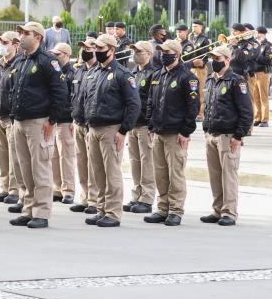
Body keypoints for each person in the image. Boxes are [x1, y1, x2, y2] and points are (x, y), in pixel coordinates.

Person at [8, 21, 70, 229]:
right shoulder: (20, 60)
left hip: (39, 122)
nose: (22, 36)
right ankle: (28, 209)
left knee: (40, 168)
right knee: (24, 169)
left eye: (26, 33)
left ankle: (42, 211)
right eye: (21, 32)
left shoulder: (47, 61)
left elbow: (60, 92)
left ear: (38, 37)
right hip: (19, 120)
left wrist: (52, 120)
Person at [82, 34, 141, 228]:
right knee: (97, 172)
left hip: (111, 128)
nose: (96, 51)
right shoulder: (95, 72)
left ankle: (113, 212)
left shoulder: (122, 74)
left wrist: (123, 130)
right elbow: (88, 99)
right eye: (96, 48)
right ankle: (101, 209)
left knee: (112, 172)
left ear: (112, 50)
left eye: (101, 48)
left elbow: (134, 104)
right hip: (94, 127)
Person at [145, 39, 199, 226]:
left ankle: (175, 210)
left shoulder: (187, 77)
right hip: (159, 131)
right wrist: (151, 125)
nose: (162, 55)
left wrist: (185, 131)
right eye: (161, 52)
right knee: (160, 173)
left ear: (176, 54)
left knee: (175, 173)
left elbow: (193, 108)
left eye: (166, 52)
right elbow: (151, 101)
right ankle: (162, 208)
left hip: (176, 133)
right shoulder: (158, 74)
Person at [200, 45, 253, 226]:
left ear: (227, 60)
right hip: (211, 134)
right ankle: (217, 210)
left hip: (228, 136)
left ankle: (229, 212)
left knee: (228, 175)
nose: (214, 62)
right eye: (212, 59)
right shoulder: (210, 80)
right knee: (215, 175)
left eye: (217, 59)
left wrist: (238, 136)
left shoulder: (236, 81)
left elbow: (246, 112)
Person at [0, 31, 22, 204]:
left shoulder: (19, 65)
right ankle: (4, 187)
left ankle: (14, 190)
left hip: (11, 118)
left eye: (6, 42)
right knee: (2, 155)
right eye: (1, 42)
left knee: (14, 155)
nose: (2, 45)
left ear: (16, 45)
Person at [124, 40, 157, 214]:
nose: (136, 54)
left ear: (149, 54)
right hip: (133, 124)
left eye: (140, 51)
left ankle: (147, 198)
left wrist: (152, 124)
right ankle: (136, 195)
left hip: (145, 124)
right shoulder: (132, 73)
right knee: (135, 162)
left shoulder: (153, 74)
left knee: (147, 162)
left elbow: (154, 101)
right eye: (135, 51)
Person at [68, 36, 99, 214]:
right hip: (78, 121)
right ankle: (85, 197)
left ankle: (94, 200)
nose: (84, 50)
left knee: (93, 163)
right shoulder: (79, 71)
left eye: (88, 47)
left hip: (90, 124)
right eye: (83, 48)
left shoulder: (98, 70)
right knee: (81, 162)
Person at [49, 42, 77, 204]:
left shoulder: (72, 74)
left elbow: (75, 98)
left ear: (66, 55)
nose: (54, 57)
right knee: (54, 156)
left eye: (57, 54)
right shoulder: (54, 72)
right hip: (53, 120)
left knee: (66, 156)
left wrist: (73, 118)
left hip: (66, 120)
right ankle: (57, 188)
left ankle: (68, 190)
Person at [186, 20, 211, 120]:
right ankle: (192, 111)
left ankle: (201, 114)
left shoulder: (204, 39)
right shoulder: (190, 37)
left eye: (196, 26)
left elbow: (206, 54)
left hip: (200, 69)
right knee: (191, 91)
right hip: (191, 67)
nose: (193, 28)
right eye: (193, 26)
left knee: (200, 91)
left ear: (201, 27)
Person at [251, 26, 272, 128]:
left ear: (264, 34)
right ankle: (258, 117)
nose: (258, 35)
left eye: (260, 33)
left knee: (263, 96)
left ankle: (265, 119)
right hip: (254, 73)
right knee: (256, 96)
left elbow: (268, 59)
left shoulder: (268, 45)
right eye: (257, 33)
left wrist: (257, 54)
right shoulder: (254, 45)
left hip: (263, 73)